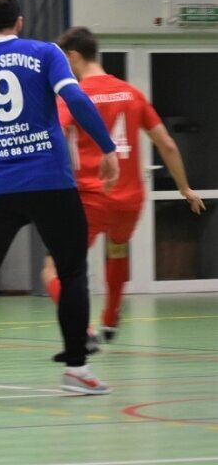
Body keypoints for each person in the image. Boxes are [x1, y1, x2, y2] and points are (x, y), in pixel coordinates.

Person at [0, 0, 120, 399]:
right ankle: (76, 368)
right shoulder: (47, 53)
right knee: (71, 273)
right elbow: (75, 99)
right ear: (19, 21)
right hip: (51, 183)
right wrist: (107, 148)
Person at [41, 26, 204, 350]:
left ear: (73, 55)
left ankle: (83, 328)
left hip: (92, 195)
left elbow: (55, 133)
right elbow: (167, 144)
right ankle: (111, 318)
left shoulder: (75, 94)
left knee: (52, 269)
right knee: (117, 249)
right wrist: (185, 187)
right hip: (129, 200)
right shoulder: (132, 93)